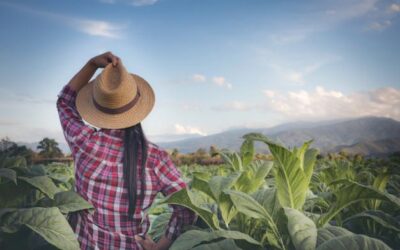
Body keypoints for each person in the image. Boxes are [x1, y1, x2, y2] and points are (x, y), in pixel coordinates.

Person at [57, 52, 197, 250]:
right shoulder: (156, 158)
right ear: (137, 107)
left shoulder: (84, 142)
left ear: (97, 107)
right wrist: (162, 245)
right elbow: (187, 208)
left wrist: (91, 64)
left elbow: (64, 102)